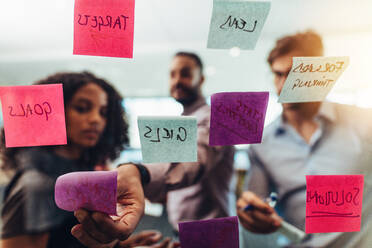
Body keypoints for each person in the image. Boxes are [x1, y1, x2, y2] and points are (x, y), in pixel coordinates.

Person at [73, 52, 236, 246]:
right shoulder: (182, 122)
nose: (177, 81)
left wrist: (139, 173)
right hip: (182, 230)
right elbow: (172, 173)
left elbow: (192, 160)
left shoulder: (216, 118)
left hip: (212, 234)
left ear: (200, 79)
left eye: (185, 74)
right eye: (172, 74)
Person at [237, 31, 372, 247]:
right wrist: (252, 212)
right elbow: (257, 200)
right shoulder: (262, 144)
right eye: (278, 74)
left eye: (293, 75)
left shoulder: (365, 123)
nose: (283, 85)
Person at [0, 72, 145, 248]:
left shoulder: (81, 172)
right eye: (82, 108)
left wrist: (121, 246)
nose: (96, 120)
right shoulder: (38, 185)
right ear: (54, 112)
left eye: (103, 112)